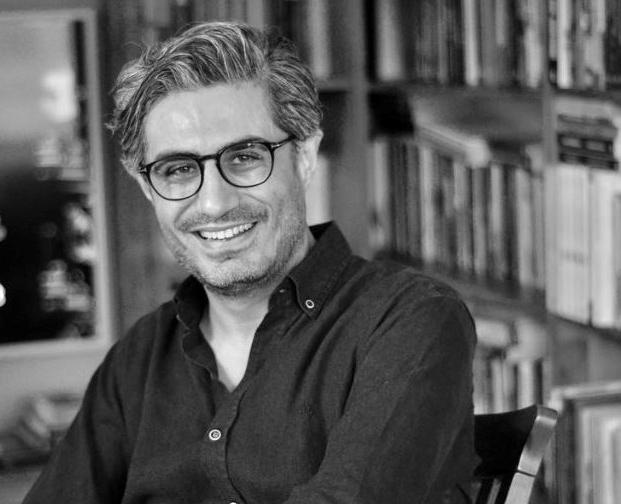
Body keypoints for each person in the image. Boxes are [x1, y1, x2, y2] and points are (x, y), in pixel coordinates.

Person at [24, 21, 477, 504]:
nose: (214, 203)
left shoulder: (411, 320)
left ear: (305, 156)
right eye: (178, 169)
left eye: (243, 157)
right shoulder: (139, 358)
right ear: (147, 188)